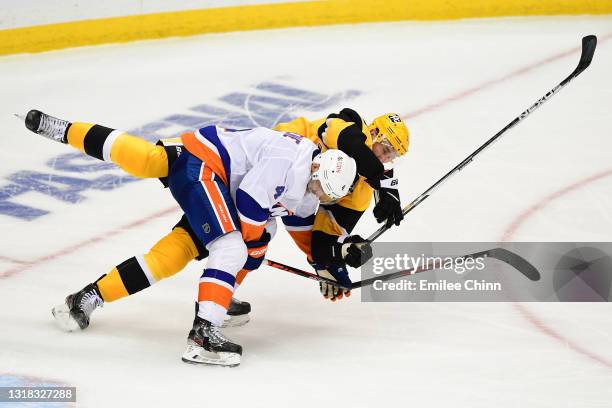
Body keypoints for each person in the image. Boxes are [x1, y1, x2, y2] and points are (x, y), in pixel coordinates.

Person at [24, 109, 365, 367]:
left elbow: (304, 230)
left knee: (178, 244)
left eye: (327, 196)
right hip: (208, 168)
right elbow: (248, 204)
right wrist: (256, 246)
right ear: (319, 168)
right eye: (321, 188)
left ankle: (87, 298)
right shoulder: (291, 160)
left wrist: (327, 267)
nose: (320, 197)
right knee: (233, 247)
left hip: (213, 168)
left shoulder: (310, 187)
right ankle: (203, 334)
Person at [274, 108, 409, 301]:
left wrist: (339, 253)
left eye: (391, 157)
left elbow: (325, 236)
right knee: (245, 234)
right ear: (373, 133)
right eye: (385, 149)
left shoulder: (362, 191)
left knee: (319, 253)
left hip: (298, 194)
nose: (385, 159)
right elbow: (351, 145)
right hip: (279, 153)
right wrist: (383, 181)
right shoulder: (352, 125)